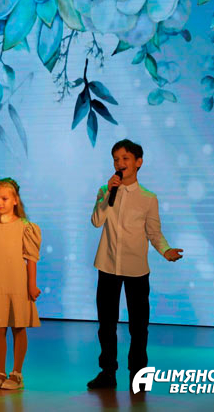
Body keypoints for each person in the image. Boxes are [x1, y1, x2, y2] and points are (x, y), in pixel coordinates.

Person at [87, 139, 183, 391]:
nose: (120, 163)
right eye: (116, 159)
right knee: (106, 325)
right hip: (107, 265)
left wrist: (166, 250)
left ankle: (138, 376)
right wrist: (107, 194)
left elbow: (154, 232)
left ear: (138, 162)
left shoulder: (148, 198)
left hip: (136, 269)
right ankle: (107, 372)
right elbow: (96, 221)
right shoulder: (105, 190)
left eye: (125, 158)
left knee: (139, 327)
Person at [0, 178, 41, 390]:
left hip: (17, 283)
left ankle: (17, 373)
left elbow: (31, 258)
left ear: (15, 200)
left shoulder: (25, 227)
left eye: (4, 198)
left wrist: (32, 284)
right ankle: (0, 371)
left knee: (18, 326)